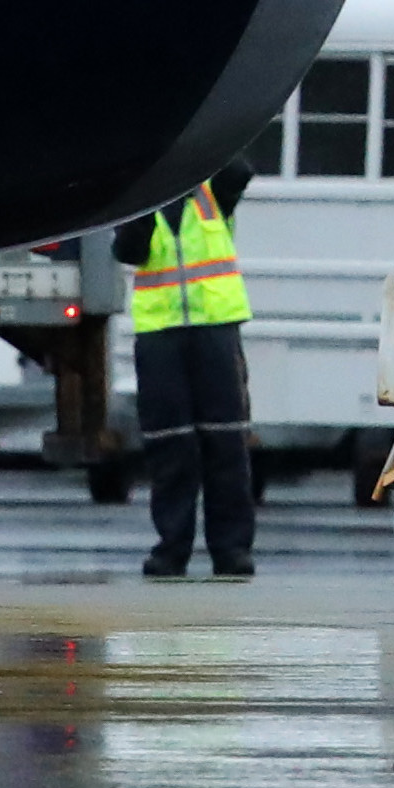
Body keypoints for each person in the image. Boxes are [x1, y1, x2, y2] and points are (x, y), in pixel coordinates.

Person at [118, 169, 256, 580]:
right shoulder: (141, 199)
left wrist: (196, 153)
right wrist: (139, 208)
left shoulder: (214, 192)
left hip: (214, 330)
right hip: (161, 337)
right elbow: (128, 251)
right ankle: (171, 549)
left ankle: (231, 550)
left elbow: (241, 167)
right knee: (170, 448)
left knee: (226, 444)